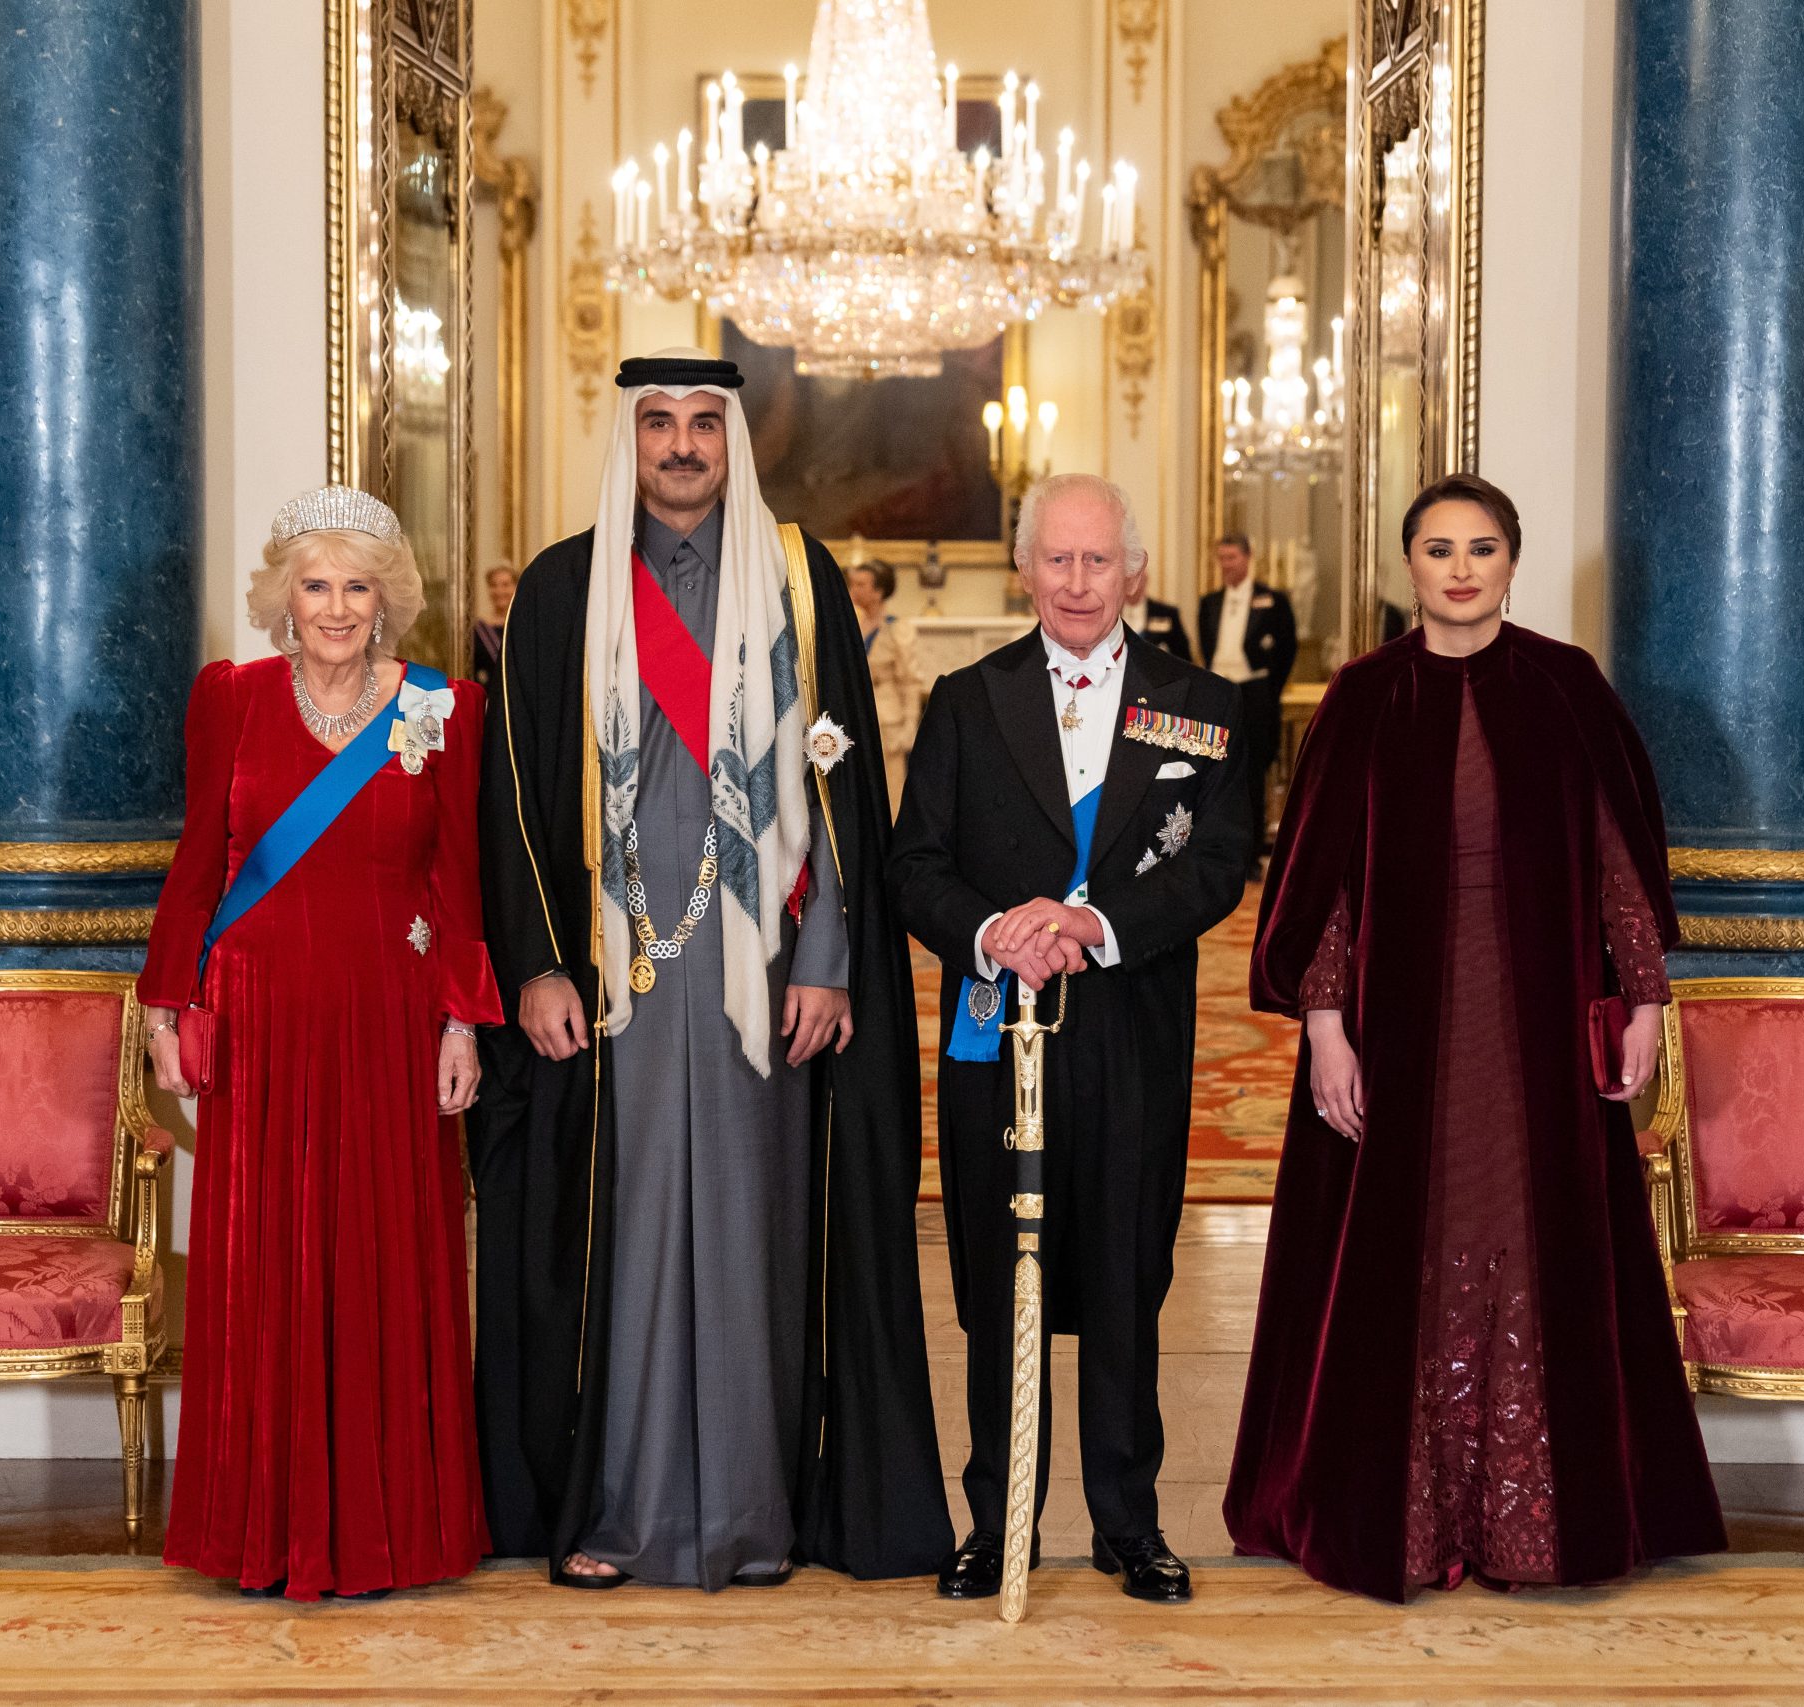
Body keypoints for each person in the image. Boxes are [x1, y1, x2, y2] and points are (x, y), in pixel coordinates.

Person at [474, 348, 950, 1591]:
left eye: (701, 424)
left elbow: (842, 774)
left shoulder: (796, 578)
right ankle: (620, 1511)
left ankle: (749, 1516)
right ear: (625, 440)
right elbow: (515, 798)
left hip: (766, 969)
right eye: (658, 425)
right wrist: (534, 966)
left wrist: (834, 959)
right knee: (619, 1245)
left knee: (754, 1234)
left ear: (734, 439)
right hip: (613, 972)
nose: (681, 446)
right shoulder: (563, 590)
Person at [1222, 472, 1724, 1601]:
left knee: (1530, 1234)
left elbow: (1617, 862)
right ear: (1408, 565)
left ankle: (1536, 1530)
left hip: (1536, 1027)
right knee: (1406, 1241)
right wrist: (1326, 1031)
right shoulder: (1359, 698)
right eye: (1438, 547)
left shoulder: (1566, 687)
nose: (1459, 568)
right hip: (1397, 1033)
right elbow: (1323, 892)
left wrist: (1643, 1002)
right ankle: (1402, 1520)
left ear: (1510, 561)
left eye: (1481, 547)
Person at [890, 473, 1251, 1605]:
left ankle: (1127, 1523)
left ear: (1132, 571)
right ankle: (995, 1527)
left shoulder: (1197, 704)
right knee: (1000, 1285)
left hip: (1130, 1025)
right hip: (999, 1032)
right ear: (1024, 568)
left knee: (1126, 1275)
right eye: (1057, 560)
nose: (1078, 582)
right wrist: (997, 929)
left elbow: (1215, 864)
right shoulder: (963, 698)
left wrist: (1094, 925)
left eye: (1099, 561)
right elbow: (915, 868)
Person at [139, 487, 500, 1600]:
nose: (337, 608)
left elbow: (459, 877)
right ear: (282, 599)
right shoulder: (233, 698)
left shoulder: (444, 706)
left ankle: (394, 1531)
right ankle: (261, 1529)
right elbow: (202, 857)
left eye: (357, 586)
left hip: (391, 1014)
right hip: (262, 1016)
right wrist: (165, 1009)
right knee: (263, 1264)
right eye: (315, 584)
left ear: (387, 599)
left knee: (391, 1257)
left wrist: (459, 1020)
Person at [1195, 535, 1299, 862]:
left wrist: (1268, 690)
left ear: (1248, 557)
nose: (1227, 565)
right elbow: (1205, 648)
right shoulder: (1209, 603)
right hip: (1219, 693)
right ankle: (1216, 851)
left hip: (1255, 693)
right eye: (1221, 559)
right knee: (1213, 774)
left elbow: (1287, 649)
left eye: (1232, 558)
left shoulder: (1273, 599)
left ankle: (1251, 855)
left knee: (1252, 774)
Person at [848, 558, 924, 810]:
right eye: (854, 583)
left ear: (878, 591)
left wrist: (909, 726)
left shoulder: (897, 629)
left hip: (888, 722)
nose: (854, 589)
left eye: (861, 584)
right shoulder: (853, 626)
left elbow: (910, 682)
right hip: (856, 717)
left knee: (891, 793)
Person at [471, 563, 517, 702]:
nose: (499, 591)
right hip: (491, 701)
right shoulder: (479, 630)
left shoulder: (525, 625)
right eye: (493, 585)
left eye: (505, 584)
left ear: (516, 586)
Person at [1124, 578, 1193, 662]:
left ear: (1146, 581)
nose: (1133, 586)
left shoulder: (1166, 614)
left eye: (1137, 579)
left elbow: (1183, 655)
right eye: (1128, 580)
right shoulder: (1112, 613)